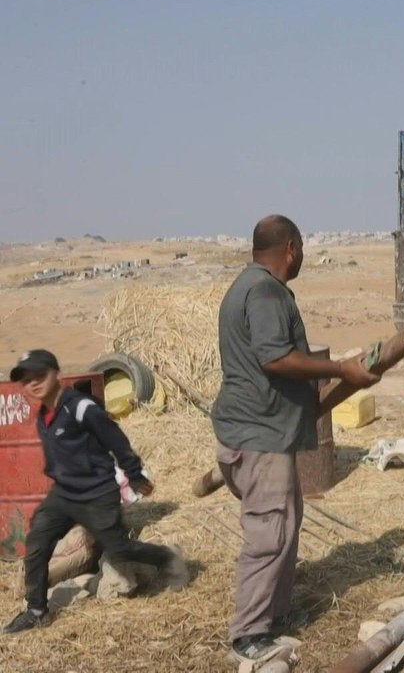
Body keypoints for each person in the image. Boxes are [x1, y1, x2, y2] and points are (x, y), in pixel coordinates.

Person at [211, 215, 380, 665]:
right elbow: (276, 359)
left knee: (284, 524)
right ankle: (248, 637)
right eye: (301, 247)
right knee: (269, 533)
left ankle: (274, 617)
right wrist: (340, 369)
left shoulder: (248, 286)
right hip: (259, 435)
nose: (302, 255)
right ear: (291, 247)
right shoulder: (264, 291)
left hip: (260, 432)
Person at [3, 349, 187, 635]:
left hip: (96, 494)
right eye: (27, 380)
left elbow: (116, 439)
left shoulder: (80, 407)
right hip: (63, 495)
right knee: (37, 545)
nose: (34, 384)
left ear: (56, 374)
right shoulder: (44, 416)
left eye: (40, 375)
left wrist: (136, 476)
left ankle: (166, 557)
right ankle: (37, 610)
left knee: (119, 549)